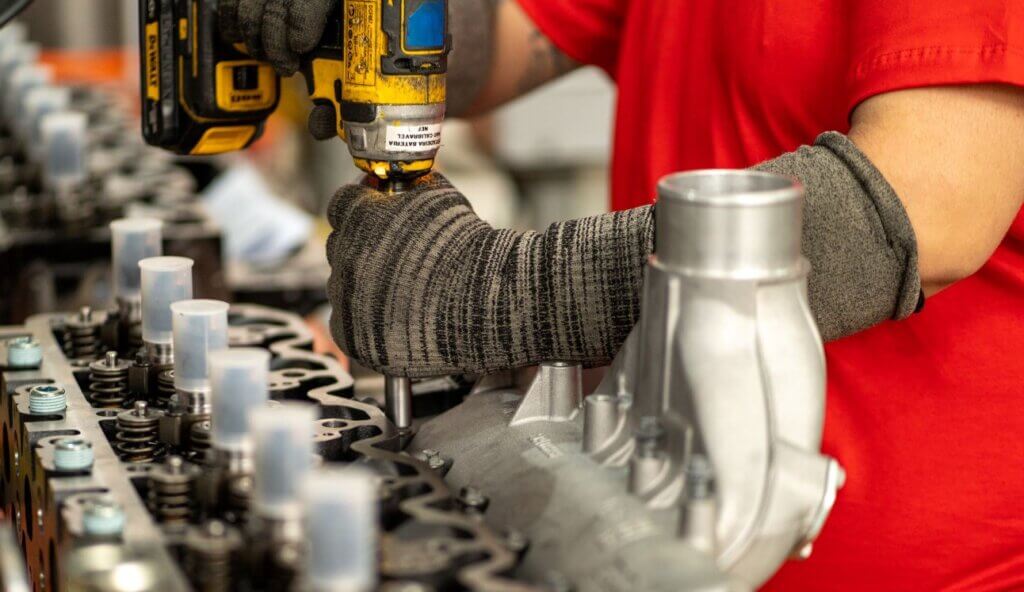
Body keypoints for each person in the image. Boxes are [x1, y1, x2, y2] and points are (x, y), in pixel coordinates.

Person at [220, 0, 1024, 589]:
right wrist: (358, 17)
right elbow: (510, 36)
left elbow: (920, 211)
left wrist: (497, 294)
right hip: (646, 525)